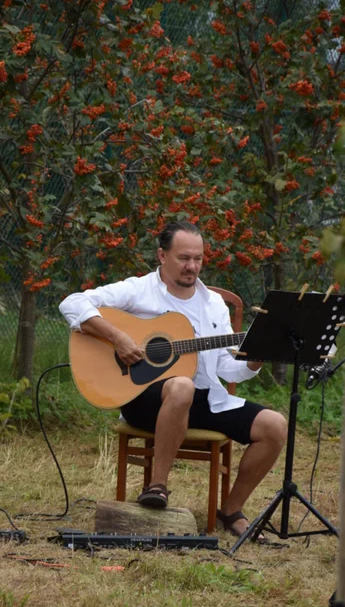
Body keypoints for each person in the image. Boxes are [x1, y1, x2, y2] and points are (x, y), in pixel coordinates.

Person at [59, 221, 287, 537]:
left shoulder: (213, 304)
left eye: (198, 258)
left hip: (203, 398)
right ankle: (157, 487)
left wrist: (255, 359)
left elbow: (225, 367)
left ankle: (231, 509)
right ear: (162, 255)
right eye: (183, 258)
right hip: (143, 399)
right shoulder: (138, 290)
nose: (192, 266)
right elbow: (72, 303)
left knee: (275, 426)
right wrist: (119, 338)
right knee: (181, 385)